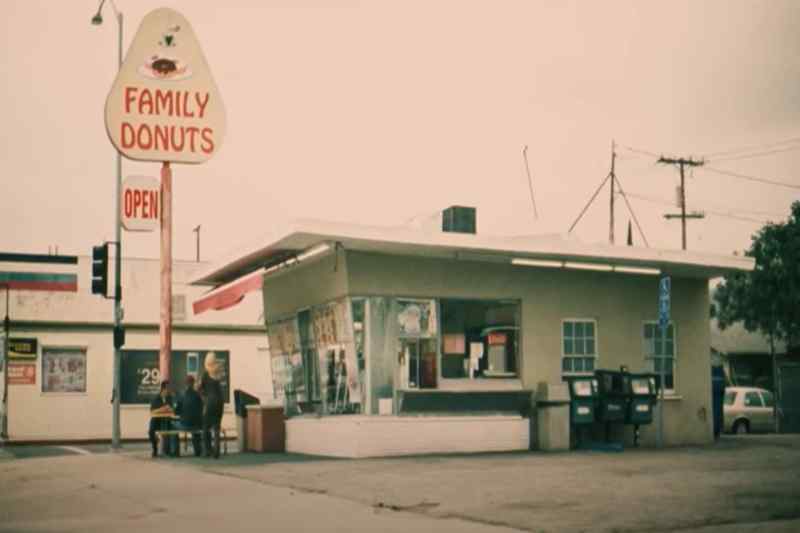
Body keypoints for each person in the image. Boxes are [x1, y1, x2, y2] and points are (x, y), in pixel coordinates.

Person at [199, 352, 224, 459]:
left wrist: (203, 397)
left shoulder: (205, 374)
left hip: (210, 402)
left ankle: (206, 451)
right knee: (217, 427)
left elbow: (200, 388)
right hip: (219, 402)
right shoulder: (219, 372)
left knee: (205, 427)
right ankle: (216, 452)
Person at [174, 375, 204, 457]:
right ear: (193, 383)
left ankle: (175, 452)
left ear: (185, 384)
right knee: (196, 425)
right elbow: (201, 409)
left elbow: (176, 411)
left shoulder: (181, 395)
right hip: (197, 425)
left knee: (172, 426)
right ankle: (198, 451)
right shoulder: (198, 396)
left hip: (185, 425)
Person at [149, 380, 176, 458]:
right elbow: (152, 410)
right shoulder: (156, 398)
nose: (169, 390)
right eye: (168, 389)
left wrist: (170, 409)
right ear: (163, 389)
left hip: (167, 419)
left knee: (171, 429)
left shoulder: (170, 397)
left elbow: (173, 409)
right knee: (151, 431)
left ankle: (169, 450)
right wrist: (163, 409)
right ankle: (155, 449)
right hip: (156, 420)